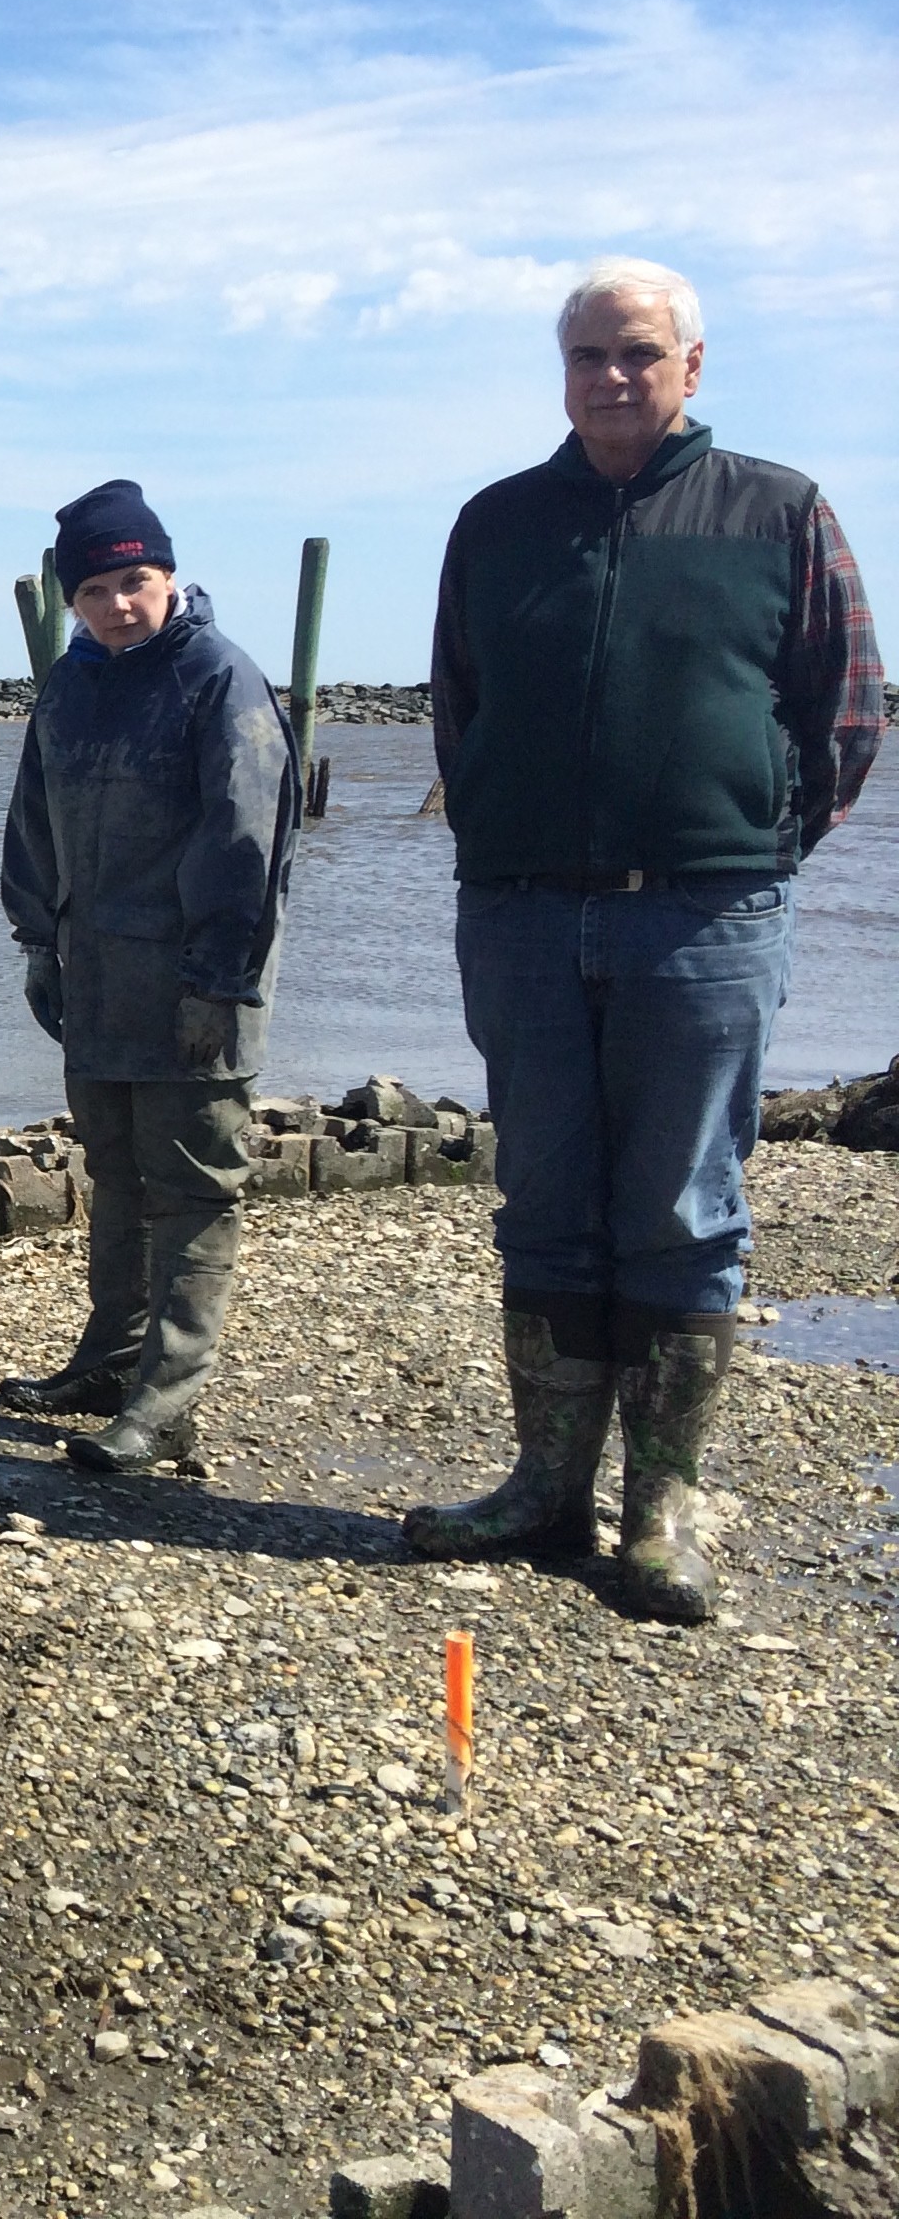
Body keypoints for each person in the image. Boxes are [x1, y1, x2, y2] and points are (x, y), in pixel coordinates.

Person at [403, 258, 880, 1623]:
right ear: (561, 373)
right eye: (588, 356)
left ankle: (661, 1511)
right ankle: (546, 1485)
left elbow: (845, 717)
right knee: (545, 1202)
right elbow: (459, 707)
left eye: (638, 353)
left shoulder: (779, 510)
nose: (612, 377)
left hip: (706, 916)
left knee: (683, 1210)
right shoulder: (498, 523)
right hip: (523, 915)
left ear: (692, 365)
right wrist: (503, 837)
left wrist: (744, 846)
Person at [0, 480, 300, 1476]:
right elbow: (33, 820)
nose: (118, 605)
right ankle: (111, 1361)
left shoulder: (219, 679)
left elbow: (249, 843)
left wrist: (219, 981)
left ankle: (168, 1401)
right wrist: (37, 942)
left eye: (135, 582)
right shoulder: (70, 685)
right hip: (95, 981)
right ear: (72, 601)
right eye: (95, 591)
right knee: (117, 1174)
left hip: (193, 987)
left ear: (169, 577)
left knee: (192, 1188)